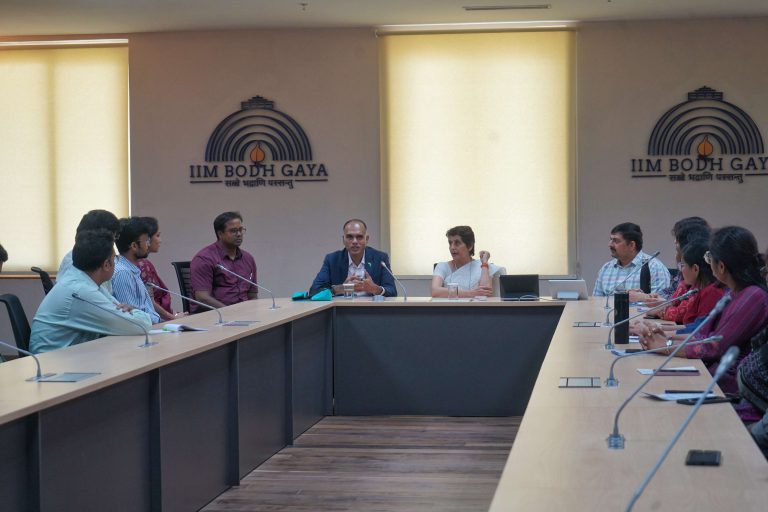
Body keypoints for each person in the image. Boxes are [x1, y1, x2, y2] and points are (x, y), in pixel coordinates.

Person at [638, 226, 768, 394]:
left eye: (709, 257)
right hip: (710, 373)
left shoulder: (753, 297)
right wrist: (665, 338)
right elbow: (702, 333)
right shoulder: (732, 293)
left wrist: (665, 346)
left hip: (729, 387)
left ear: (721, 266)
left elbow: (715, 346)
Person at [29, 229, 152, 354]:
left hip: (69, 355)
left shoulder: (84, 281)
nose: (116, 263)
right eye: (115, 259)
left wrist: (131, 312)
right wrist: (134, 312)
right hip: (51, 361)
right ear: (106, 265)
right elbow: (141, 326)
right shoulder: (81, 291)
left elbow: (130, 320)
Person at [309, 219, 396, 297]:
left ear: (366, 239)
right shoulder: (332, 260)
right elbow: (314, 291)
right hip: (342, 309)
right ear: (343, 239)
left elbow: (392, 291)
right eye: (350, 237)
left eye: (359, 237)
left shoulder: (380, 258)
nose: (354, 241)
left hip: (372, 308)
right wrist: (341, 288)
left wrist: (375, 289)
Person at [190, 211, 258, 311]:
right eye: (233, 231)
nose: (239, 234)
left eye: (241, 230)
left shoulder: (248, 258)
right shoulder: (204, 259)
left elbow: (252, 295)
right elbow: (202, 298)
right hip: (214, 315)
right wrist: (230, 312)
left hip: (243, 313)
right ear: (220, 234)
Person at [592, 222, 671, 297]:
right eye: (610, 239)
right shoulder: (606, 268)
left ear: (631, 245)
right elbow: (596, 301)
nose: (610, 245)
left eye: (615, 241)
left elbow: (660, 303)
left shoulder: (655, 268)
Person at [658, 238, 725, 324]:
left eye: (682, 265)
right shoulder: (697, 289)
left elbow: (700, 329)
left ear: (695, 269)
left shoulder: (711, 292)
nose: (681, 270)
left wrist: (662, 328)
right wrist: (660, 328)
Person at [58, 209, 121, 294]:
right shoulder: (76, 261)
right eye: (112, 238)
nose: (112, 243)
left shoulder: (100, 257)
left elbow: (106, 296)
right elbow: (93, 297)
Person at [431, 225, 505, 298]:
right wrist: (471, 293)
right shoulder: (442, 266)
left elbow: (484, 293)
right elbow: (435, 291)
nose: (452, 247)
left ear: (470, 246)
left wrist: (484, 263)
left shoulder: (482, 266)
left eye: (457, 243)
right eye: (450, 243)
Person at [111, 217, 161, 324]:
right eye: (146, 240)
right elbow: (132, 318)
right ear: (134, 246)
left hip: (151, 326)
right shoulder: (123, 273)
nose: (148, 244)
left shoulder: (131, 269)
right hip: (142, 330)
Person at [137, 217, 184, 321]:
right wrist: (174, 318)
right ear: (147, 239)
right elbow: (150, 303)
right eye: (157, 236)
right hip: (155, 321)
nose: (160, 240)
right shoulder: (143, 265)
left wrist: (174, 314)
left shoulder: (144, 263)